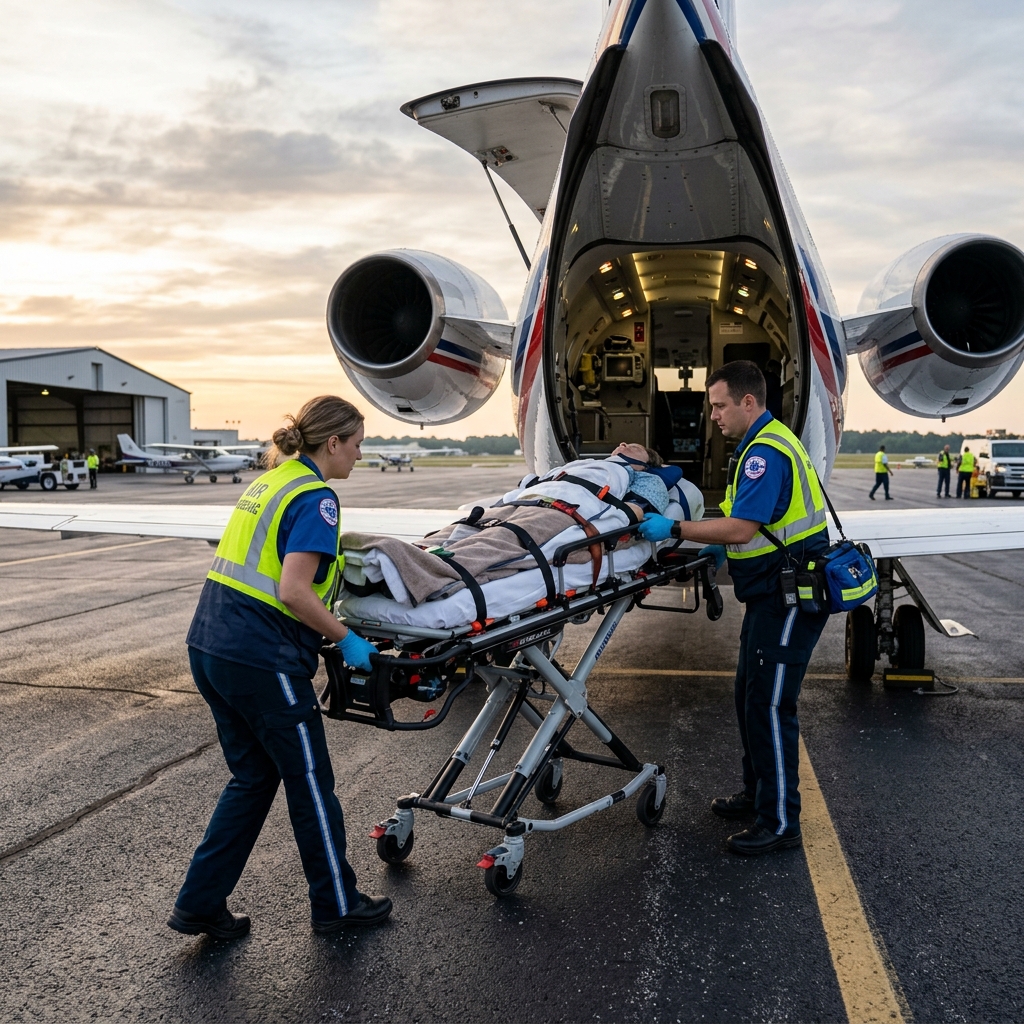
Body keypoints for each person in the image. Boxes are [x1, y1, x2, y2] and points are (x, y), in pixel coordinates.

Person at [168, 395, 391, 941]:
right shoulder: (317, 500)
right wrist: (349, 640)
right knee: (310, 781)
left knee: (253, 777)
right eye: (357, 444)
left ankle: (199, 904)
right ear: (333, 443)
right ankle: (336, 904)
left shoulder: (270, 481)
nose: (360, 456)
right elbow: (294, 590)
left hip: (210, 646)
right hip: (260, 658)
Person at [637, 361, 830, 855]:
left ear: (749, 402)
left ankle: (780, 821)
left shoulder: (764, 452)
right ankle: (758, 794)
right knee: (749, 695)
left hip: (788, 596)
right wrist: (721, 545)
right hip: (772, 591)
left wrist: (676, 529)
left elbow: (743, 527)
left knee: (769, 704)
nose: (713, 416)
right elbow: (753, 526)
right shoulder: (765, 442)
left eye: (720, 405)